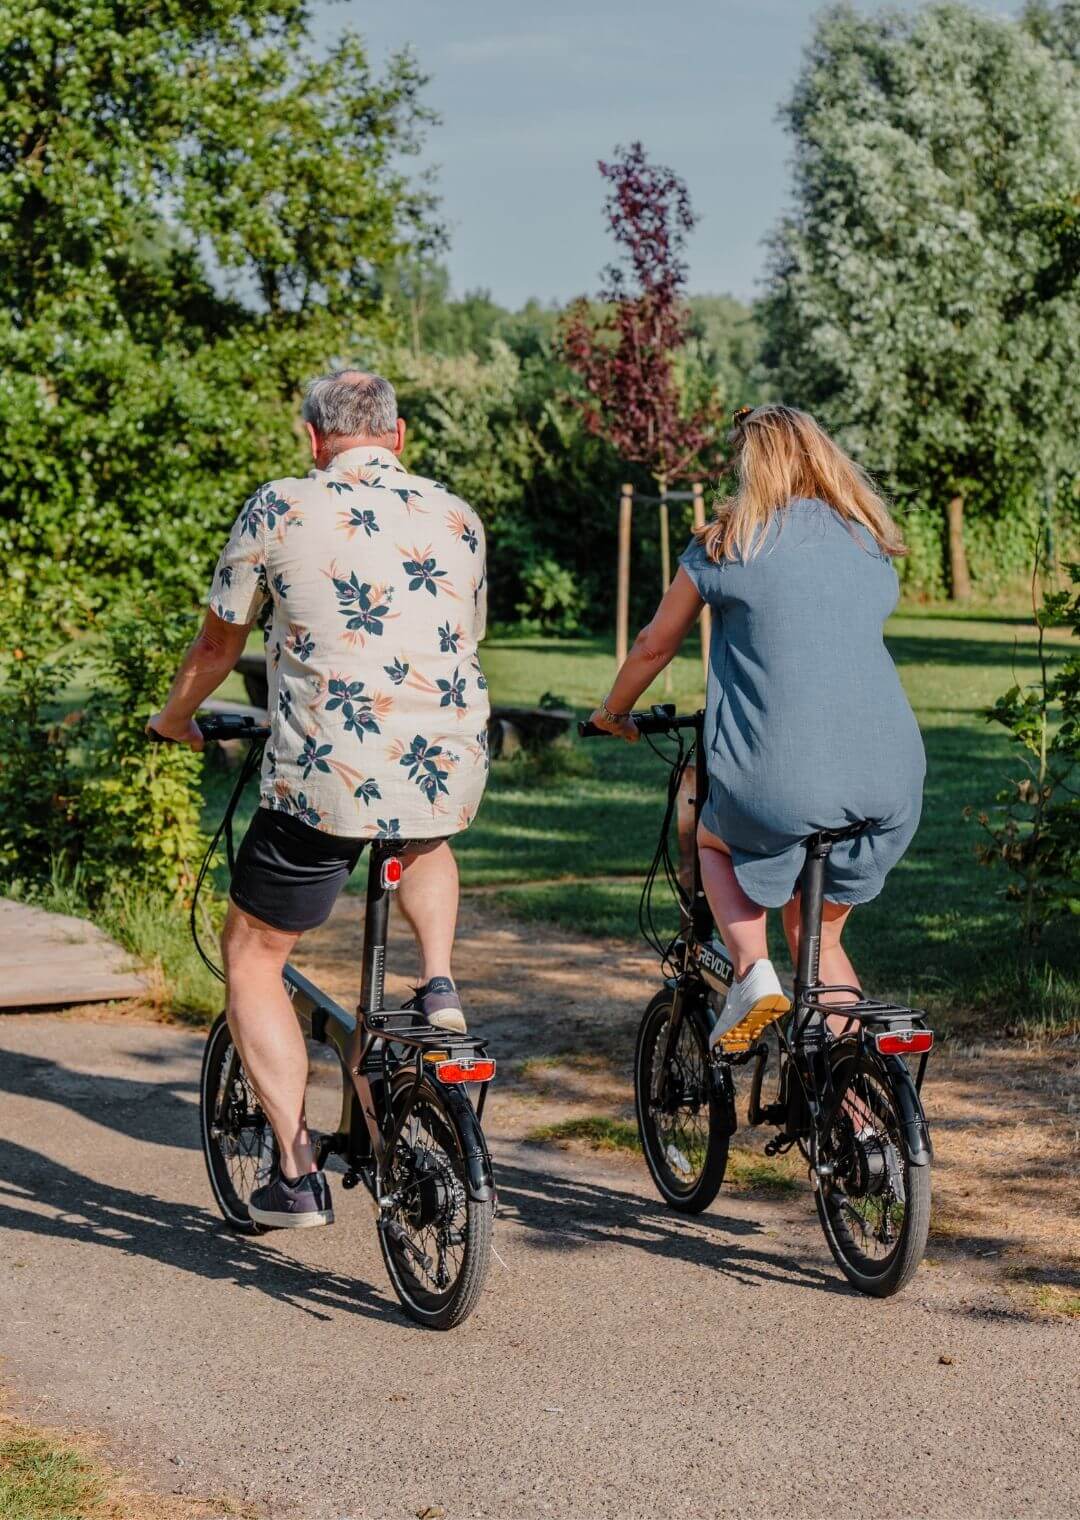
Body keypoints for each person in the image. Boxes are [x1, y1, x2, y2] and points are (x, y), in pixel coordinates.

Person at [148, 370, 489, 1227]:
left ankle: (297, 1175)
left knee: (252, 955)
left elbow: (220, 642)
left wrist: (175, 718)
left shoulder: (281, 506)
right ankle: (438, 983)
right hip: (444, 770)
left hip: (327, 775)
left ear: (313, 439)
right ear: (399, 436)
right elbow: (463, 635)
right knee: (421, 837)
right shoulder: (457, 516)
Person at [588, 403, 925, 1052]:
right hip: (891, 777)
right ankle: (856, 1099)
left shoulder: (728, 541)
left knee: (712, 839)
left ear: (751, 465)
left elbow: (656, 644)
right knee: (817, 941)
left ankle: (750, 973)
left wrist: (613, 712)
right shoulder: (867, 538)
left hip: (782, 779)